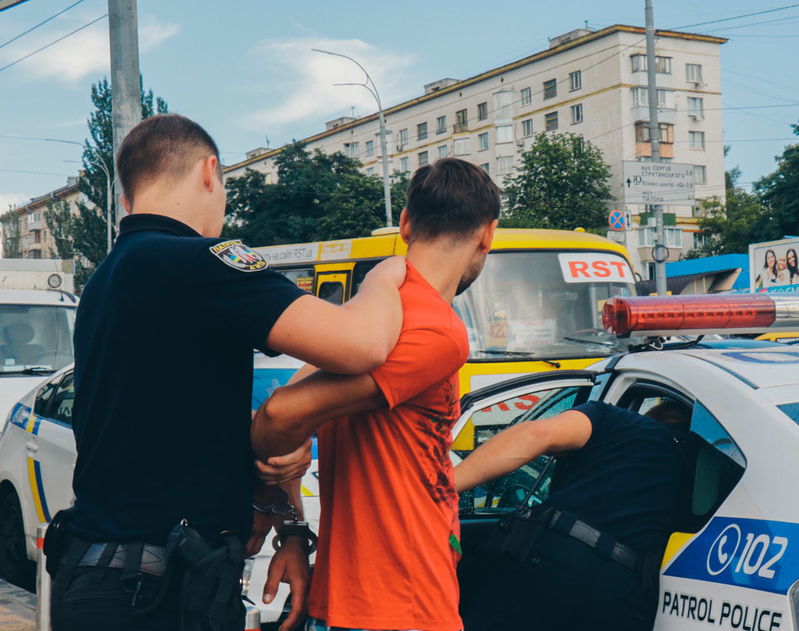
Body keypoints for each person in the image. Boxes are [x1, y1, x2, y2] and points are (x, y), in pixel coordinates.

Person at [49, 114, 405, 631]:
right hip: (152, 595)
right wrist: (385, 277)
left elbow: (180, 418)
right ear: (209, 171)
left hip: (96, 576)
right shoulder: (199, 261)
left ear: (126, 199)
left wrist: (282, 511)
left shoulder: (107, 279)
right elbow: (361, 345)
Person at [251, 157, 502, 631]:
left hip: (350, 597)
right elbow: (283, 415)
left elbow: (286, 416)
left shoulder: (367, 320)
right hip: (402, 602)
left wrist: (291, 528)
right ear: (487, 234)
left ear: (405, 223)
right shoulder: (439, 331)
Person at [453, 400, 689, 631]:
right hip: (624, 595)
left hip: (552, 564)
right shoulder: (700, 464)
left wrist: (443, 489)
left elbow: (539, 434)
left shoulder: (617, 419)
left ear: (654, 414)